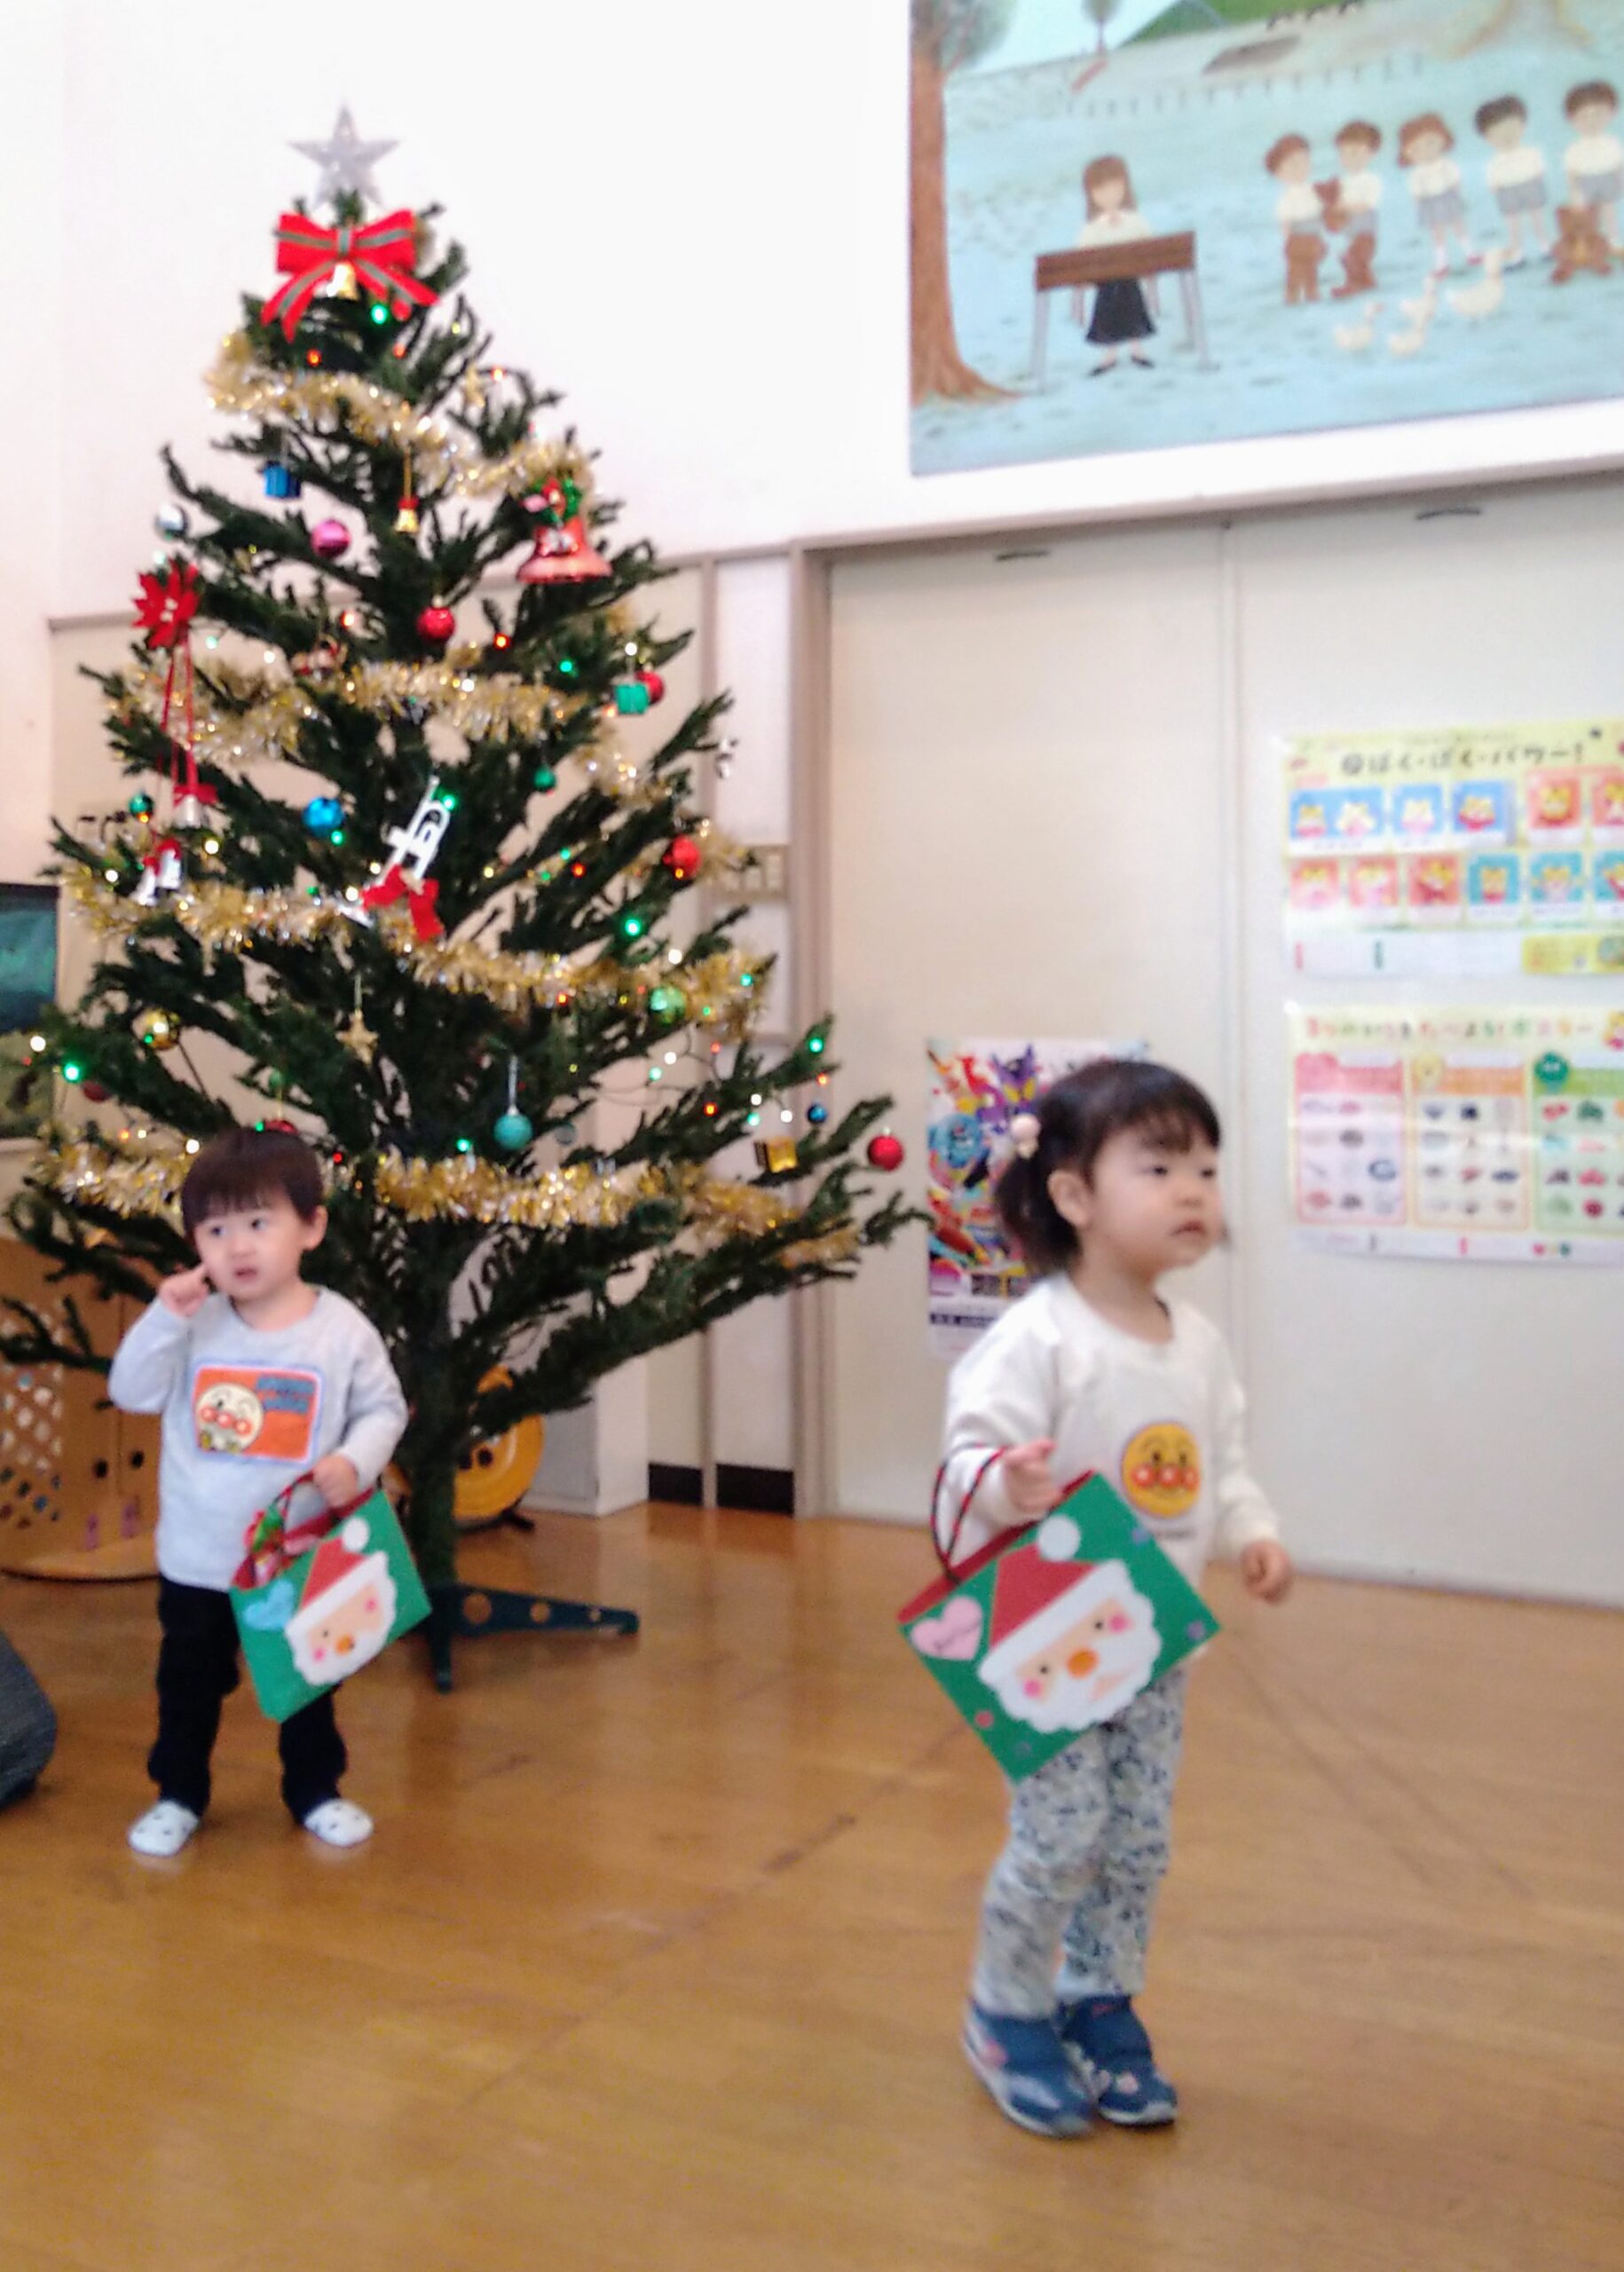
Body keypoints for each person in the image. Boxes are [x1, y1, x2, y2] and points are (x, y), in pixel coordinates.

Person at [936, 1060, 1292, 2138]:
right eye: (1160, 1167)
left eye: (1206, 1170)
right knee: (1061, 1835)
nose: (1193, 1191)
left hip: (1154, 1642)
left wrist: (1253, 1530)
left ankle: (1098, 1996)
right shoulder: (1038, 1337)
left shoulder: (1200, 1346)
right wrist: (1005, 1482)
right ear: (1074, 1195)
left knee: (1136, 1843)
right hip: (1046, 1632)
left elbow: (1222, 1462)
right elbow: (968, 1453)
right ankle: (1005, 2008)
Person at [109, 1126, 407, 1858]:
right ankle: (178, 1795)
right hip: (199, 1558)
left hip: (297, 1555)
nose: (237, 1247)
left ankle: (315, 1790)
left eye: (258, 1223)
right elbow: (131, 1391)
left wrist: (355, 1461)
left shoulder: (341, 1331)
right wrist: (163, 1317)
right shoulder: (192, 1327)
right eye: (215, 1231)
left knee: (308, 1683)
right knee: (187, 1686)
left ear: (311, 1227)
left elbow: (384, 1408)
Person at [1074, 155, 1156, 375]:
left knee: (1132, 307)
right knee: (1108, 312)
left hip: (1127, 279)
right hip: (1107, 283)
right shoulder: (1093, 227)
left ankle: (1135, 349)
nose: (1109, 196)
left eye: (1114, 189)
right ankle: (1111, 353)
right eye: (1101, 191)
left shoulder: (1132, 220)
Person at [1398, 112, 1479, 276]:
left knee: (1458, 226)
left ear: (1443, 140)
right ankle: (1442, 263)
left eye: (1430, 143)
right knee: (1438, 234)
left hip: (1447, 198)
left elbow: (1455, 181)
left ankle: (1471, 253)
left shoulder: (1445, 164)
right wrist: (1420, 203)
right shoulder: (1417, 173)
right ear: (1407, 153)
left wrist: (1455, 194)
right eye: (1416, 149)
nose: (1426, 151)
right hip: (1430, 203)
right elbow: (1416, 193)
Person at [1474, 95, 1551, 269]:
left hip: (1530, 186)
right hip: (1507, 192)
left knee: (1537, 219)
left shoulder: (1531, 152)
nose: (1507, 136)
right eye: (1498, 132)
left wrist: (1535, 182)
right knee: (1513, 225)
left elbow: (1539, 171)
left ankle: (1545, 247)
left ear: (1523, 126)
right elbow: (1493, 182)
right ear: (1487, 137)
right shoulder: (1494, 161)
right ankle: (1517, 255)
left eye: (1511, 128)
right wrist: (1498, 190)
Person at [1265, 134, 1328, 306]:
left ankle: (1312, 293)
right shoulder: (1286, 197)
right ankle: (1292, 295)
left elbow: (1321, 214)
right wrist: (1288, 241)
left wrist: (1321, 237)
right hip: (1296, 239)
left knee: (1311, 270)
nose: (1300, 169)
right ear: (1279, 172)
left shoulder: (1313, 190)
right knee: (1295, 271)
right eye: (1293, 165)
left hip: (1313, 237)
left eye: (1304, 162)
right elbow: (1285, 222)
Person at [1563, 80, 1623, 252]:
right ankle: (1593, 241)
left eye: (1598, 114)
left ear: (1611, 113)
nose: (1592, 121)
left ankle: (1612, 238)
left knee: (1609, 210)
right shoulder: (1574, 148)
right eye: (1584, 116)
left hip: (1607, 179)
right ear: (1572, 119)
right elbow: (1572, 173)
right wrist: (1574, 192)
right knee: (1589, 214)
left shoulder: (1612, 143)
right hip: (1586, 181)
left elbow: (1619, 166)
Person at [1329, 120, 1384, 297]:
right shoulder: (1344, 180)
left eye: (1355, 153)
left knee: (1353, 257)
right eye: (1343, 153)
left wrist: (1345, 206)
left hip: (1365, 230)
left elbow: (1366, 205)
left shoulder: (1370, 179)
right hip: (1351, 230)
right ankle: (1366, 281)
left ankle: (1354, 284)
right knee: (1352, 258)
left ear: (1370, 153)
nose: (1349, 158)